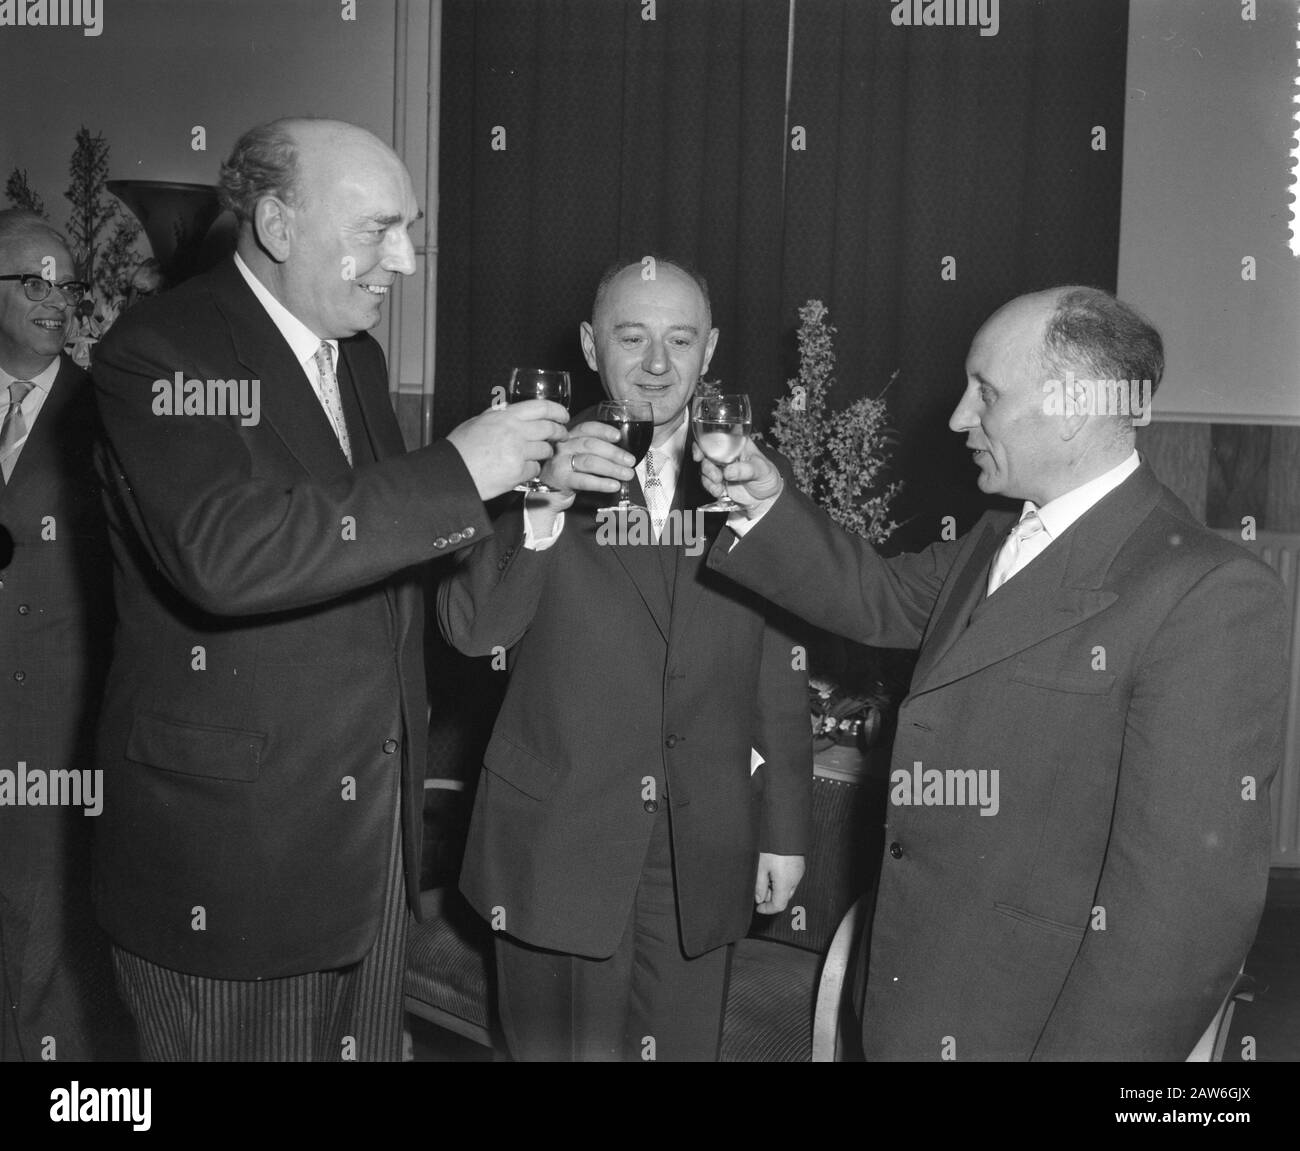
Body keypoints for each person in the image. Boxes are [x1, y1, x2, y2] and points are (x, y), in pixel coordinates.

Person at [699, 286, 1287, 1061]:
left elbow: (1183, 917)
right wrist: (764, 503)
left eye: (987, 392)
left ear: (1074, 407)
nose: (956, 418)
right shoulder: (993, 538)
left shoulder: (1208, 592)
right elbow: (872, 596)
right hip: (909, 1002)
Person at [90, 118, 566, 1061]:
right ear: (274, 222)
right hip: (234, 867)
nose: (403, 260)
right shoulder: (162, 349)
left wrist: (518, 503)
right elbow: (224, 553)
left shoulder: (357, 358)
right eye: (376, 229)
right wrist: (456, 471)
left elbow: (376, 557)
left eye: (411, 230)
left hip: (367, 855)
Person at [438, 257, 812, 1061]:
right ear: (588, 344)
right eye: (631, 336)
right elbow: (475, 634)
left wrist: (782, 827)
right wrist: (542, 502)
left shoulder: (749, 479)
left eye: (679, 339)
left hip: (702, 849)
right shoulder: (517, 461)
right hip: (559, 847)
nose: (656, 364)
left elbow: (775, 665)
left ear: (709, 350)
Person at [0, 210, 131, 1060]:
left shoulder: (109, 416)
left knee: (40, 939)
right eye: (33, 282)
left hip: (52, 727)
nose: (57, 300)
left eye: (68, 283)